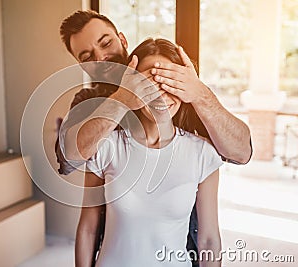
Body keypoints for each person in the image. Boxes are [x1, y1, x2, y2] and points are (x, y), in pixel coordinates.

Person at [56, 10, 252, 267]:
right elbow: (68, 158)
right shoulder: (86, 104)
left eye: (106, 43)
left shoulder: (180, 95)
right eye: (88, 57)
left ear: (122, 40)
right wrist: (122, 100)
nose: (102, 57)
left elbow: (242, 152)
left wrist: (200, 94)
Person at [76, 38, 222, 266]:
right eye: (149, 84)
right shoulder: (106, 147)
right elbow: (88, 229)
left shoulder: (202, 153)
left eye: (169, 83)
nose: (160, 94)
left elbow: (209, 239)